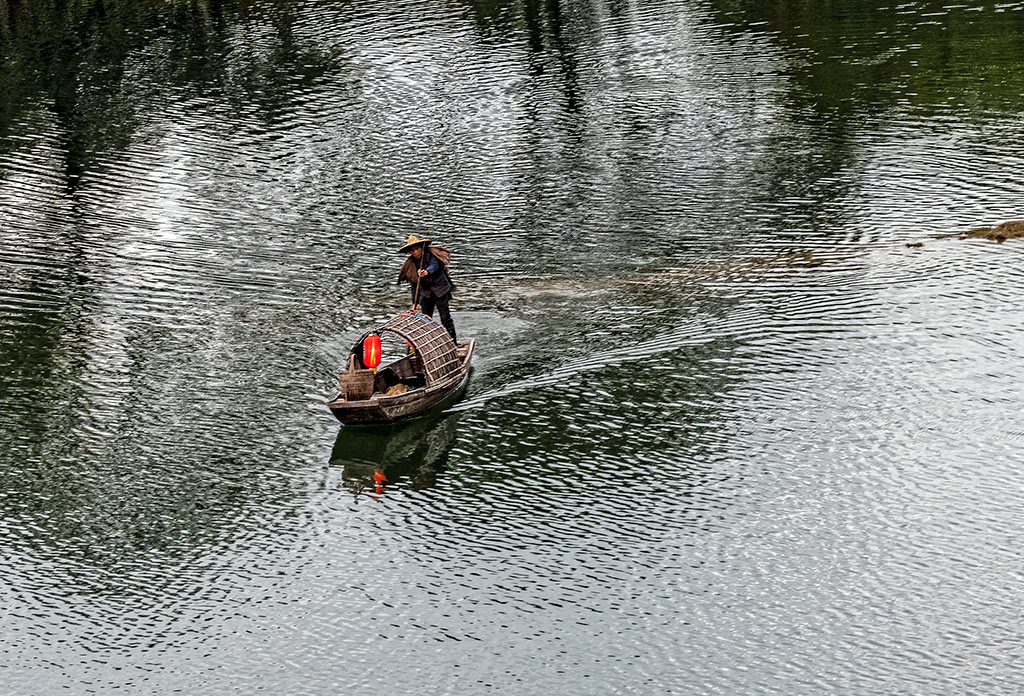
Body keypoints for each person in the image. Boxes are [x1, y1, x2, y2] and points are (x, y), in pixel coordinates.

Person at [396, 234, 457, 341]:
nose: (415, 252)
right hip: (426, 294)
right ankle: (428, 343)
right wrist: (415, 303)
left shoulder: (432, 256)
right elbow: (414, 285)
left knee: (445, 318)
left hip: (440, 291)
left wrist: (426, 272)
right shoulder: (410, 265)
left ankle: (453, 342)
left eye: (417, 249)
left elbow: (434, 266)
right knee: (425, 320)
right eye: (412, 250)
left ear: (421, 248)